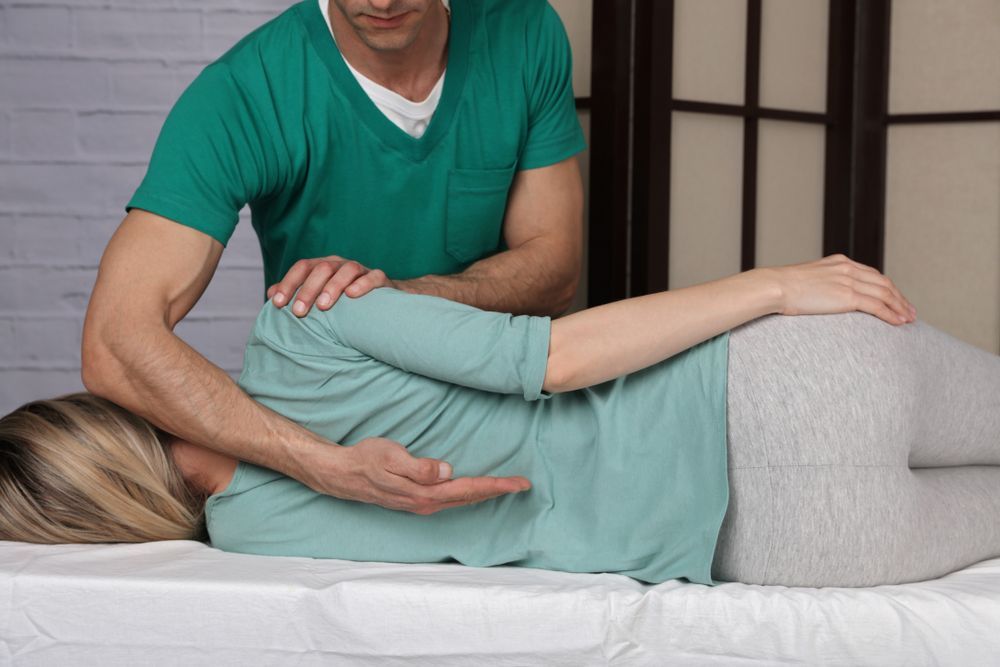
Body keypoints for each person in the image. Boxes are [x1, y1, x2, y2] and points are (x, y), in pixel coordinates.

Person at [5, 256, 999, 587]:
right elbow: (552, 359)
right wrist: (773, 282)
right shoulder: (304, 324)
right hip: (787, 380)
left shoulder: (252, 540)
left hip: (783, 546)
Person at [81, 0, 587, 518]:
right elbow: (115, 341)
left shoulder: (523, 32)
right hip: (338, 438)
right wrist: (321, 464)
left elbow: (555, 269)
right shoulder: (245, 90)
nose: (382, 2)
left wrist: (398, 299)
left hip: (503, 412)